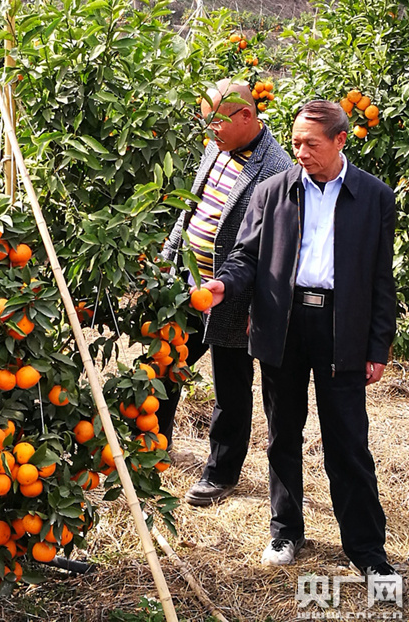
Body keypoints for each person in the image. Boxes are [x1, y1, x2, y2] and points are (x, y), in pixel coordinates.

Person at [204, 99, 397, 575]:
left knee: (348, 442)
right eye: (294, 143)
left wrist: (378, 344)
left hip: (342, 327)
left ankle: (367, 550)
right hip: (282, 324)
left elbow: (380, 280)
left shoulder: (373, 196)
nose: (301, 152)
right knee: (282, 436)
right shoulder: (273, 191)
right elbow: (246, 256)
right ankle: (285, 530)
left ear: (340, 141)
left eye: (311, 144)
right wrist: (224, 284)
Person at [158, 78, 292, 505]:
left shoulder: (275, 169)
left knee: (230, 384)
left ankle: (221, 472)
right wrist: (168, 255)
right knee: (166, 365)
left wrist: (258, 304)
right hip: (190, 287)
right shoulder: (216, 146)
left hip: (235, 296)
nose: (209, 130)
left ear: (247, 116)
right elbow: (191, 207)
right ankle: (154, 447)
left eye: (215, 121)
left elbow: (276, 248)